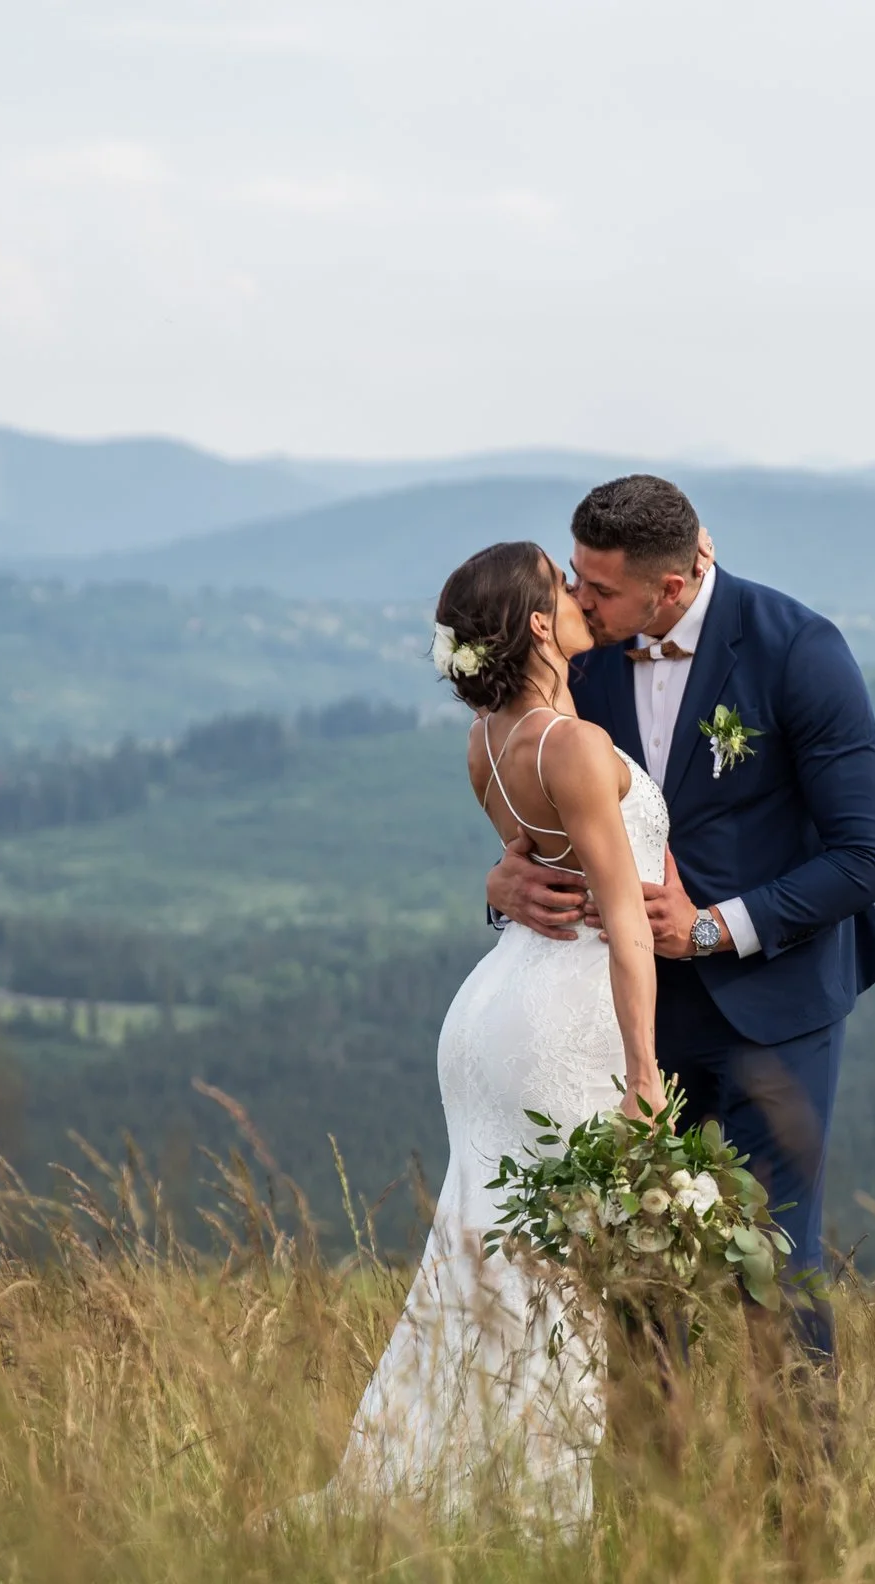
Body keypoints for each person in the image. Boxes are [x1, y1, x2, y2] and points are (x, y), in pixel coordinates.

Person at [487, 474, 875, 1371]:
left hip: (775, 1012)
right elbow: (541, 817)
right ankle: (658, 1501)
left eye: (599, 590)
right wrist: (503, 886)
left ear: (669, 587)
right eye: (575, 577)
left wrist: (713, 927)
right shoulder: (580, 659)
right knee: (636, 1288)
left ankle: (807, 1505)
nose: (577, 601)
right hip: (621, 1022)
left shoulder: (800, 651)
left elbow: (870, 857)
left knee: (775, 1273)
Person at [328, 539, 667, 1524]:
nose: (575, 594)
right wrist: (644, 1071)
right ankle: (526, 1510)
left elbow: (526, 874)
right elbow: (617, 925)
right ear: (533, 623)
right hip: (563, 1017)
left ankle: (433, 1477)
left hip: (491, 1010)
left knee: (481, 1249)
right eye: (562, 586)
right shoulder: (573, 746)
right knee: (551, 1270)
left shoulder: (487, 743)